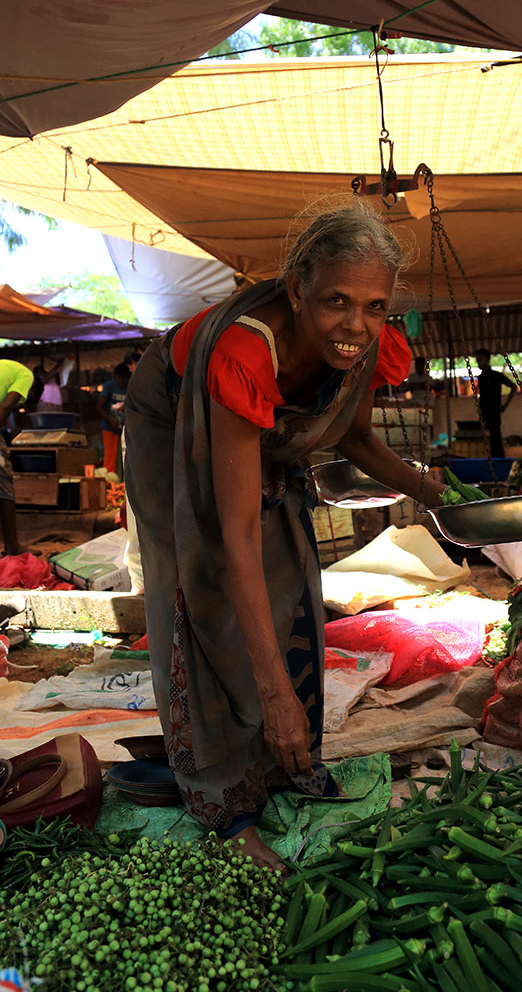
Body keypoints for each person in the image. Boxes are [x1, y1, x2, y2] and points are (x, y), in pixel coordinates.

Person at [125, 202, 445, 868]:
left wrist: (444, 497)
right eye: (335, 301)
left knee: (292, 579)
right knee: (204, 587)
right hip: (173, 414)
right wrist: (274, 696)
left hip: (250, 420)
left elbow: (355, 437)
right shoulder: (247, 350)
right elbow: (235, 534)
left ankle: (284, 762)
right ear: (298, 290)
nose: (356, 324)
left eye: (375, 305)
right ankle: (223, 798)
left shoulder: (366, 342)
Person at [0, 359, 42, 555]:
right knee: (4, 481)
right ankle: (12, 547)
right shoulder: (26, 376)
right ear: (32, 391)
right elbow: (6, 407)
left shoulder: (8, 369)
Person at [474, 348, 516, 458]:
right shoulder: (480, 377)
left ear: (487, 360)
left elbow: (513, 387)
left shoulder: (496, 376)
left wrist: (505, 406)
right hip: (484, 412)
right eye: (477, 360)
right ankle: (490, 460)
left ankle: (499, 460)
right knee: (486, 438)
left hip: (494, 411)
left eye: (481, 360)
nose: (479, 363)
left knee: (495, 437)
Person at [97, 363, 130, 474]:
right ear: (118, 377)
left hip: (125, 427)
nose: (124, 381)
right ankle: (111, 482)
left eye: (127, 378)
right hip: (109, 426)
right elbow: (99, 406)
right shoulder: (109, 386)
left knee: (126, 455)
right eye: (123, 378)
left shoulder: (131, 386)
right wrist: (110, 420)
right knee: (110, 455)